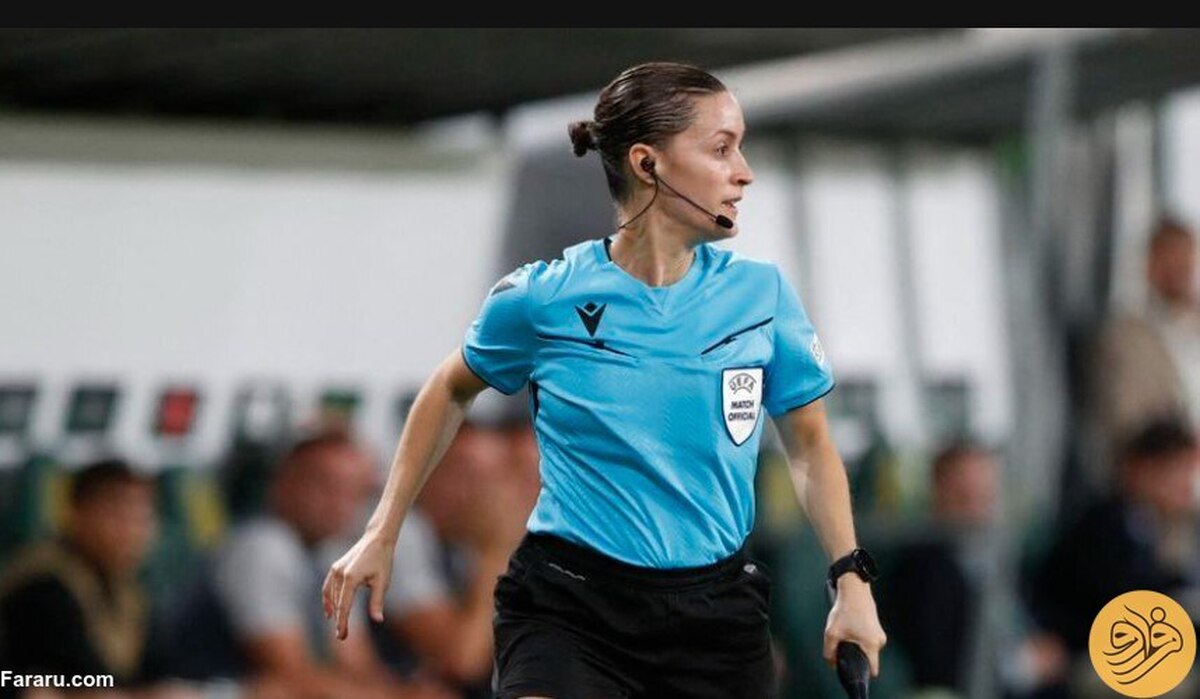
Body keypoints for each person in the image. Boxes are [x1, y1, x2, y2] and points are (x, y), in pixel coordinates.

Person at [323, 61, 886, 699]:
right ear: (648, 164)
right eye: (721, 148)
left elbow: (809, 445)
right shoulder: (542, 298)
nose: (744, 171)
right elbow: (450, 387)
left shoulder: (762, 296)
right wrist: (382, 530)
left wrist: (851, 582)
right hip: (570, 607)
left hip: (714, 621)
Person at [213, 429, 453, 699]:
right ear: (282, 484)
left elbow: (356, 663)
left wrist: (408, 691)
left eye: (355, 492)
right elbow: (292, 675)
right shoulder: (261, 547)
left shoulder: (331, 554)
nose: (339, 504)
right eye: (325, 486)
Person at [0, 458, 199, 698]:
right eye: (119, 516)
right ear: (77, 513)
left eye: (142, 518)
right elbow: (81, 676)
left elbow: (154, 670)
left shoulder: (127, 586)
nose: (133, 531)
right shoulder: (42, 581)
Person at [377, 421, 528, 697]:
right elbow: (463, 662)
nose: (487, 496)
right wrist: (497, 550)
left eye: (493, 479)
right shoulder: (400, 533)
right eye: (470, 477)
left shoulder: (461, 543)